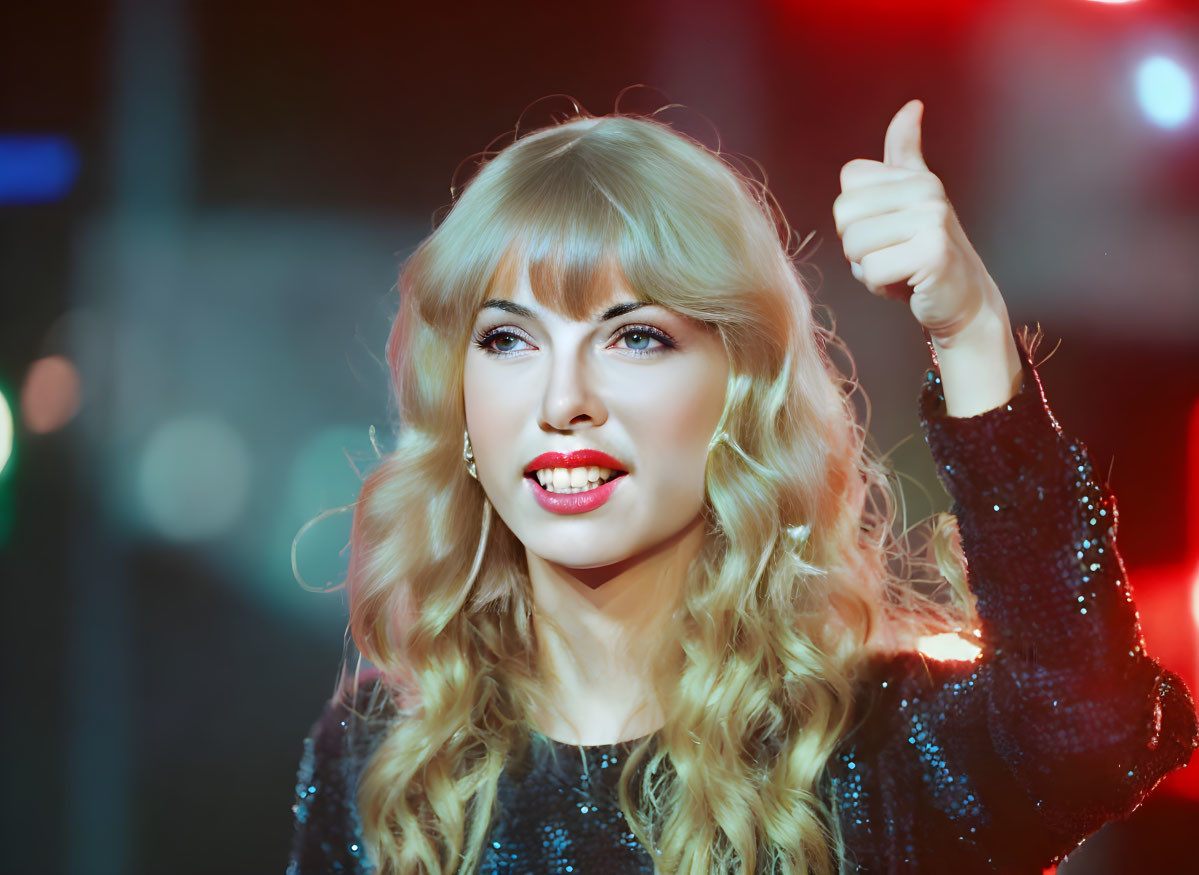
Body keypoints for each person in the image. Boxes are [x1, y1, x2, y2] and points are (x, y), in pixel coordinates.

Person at [287, 99, 1198, 874]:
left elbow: (1092, 728)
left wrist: (968, 327)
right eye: (508, 340)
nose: (562, 400)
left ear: (739, 398)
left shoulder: (867, 756)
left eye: (633, 336)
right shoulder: (383, 763)